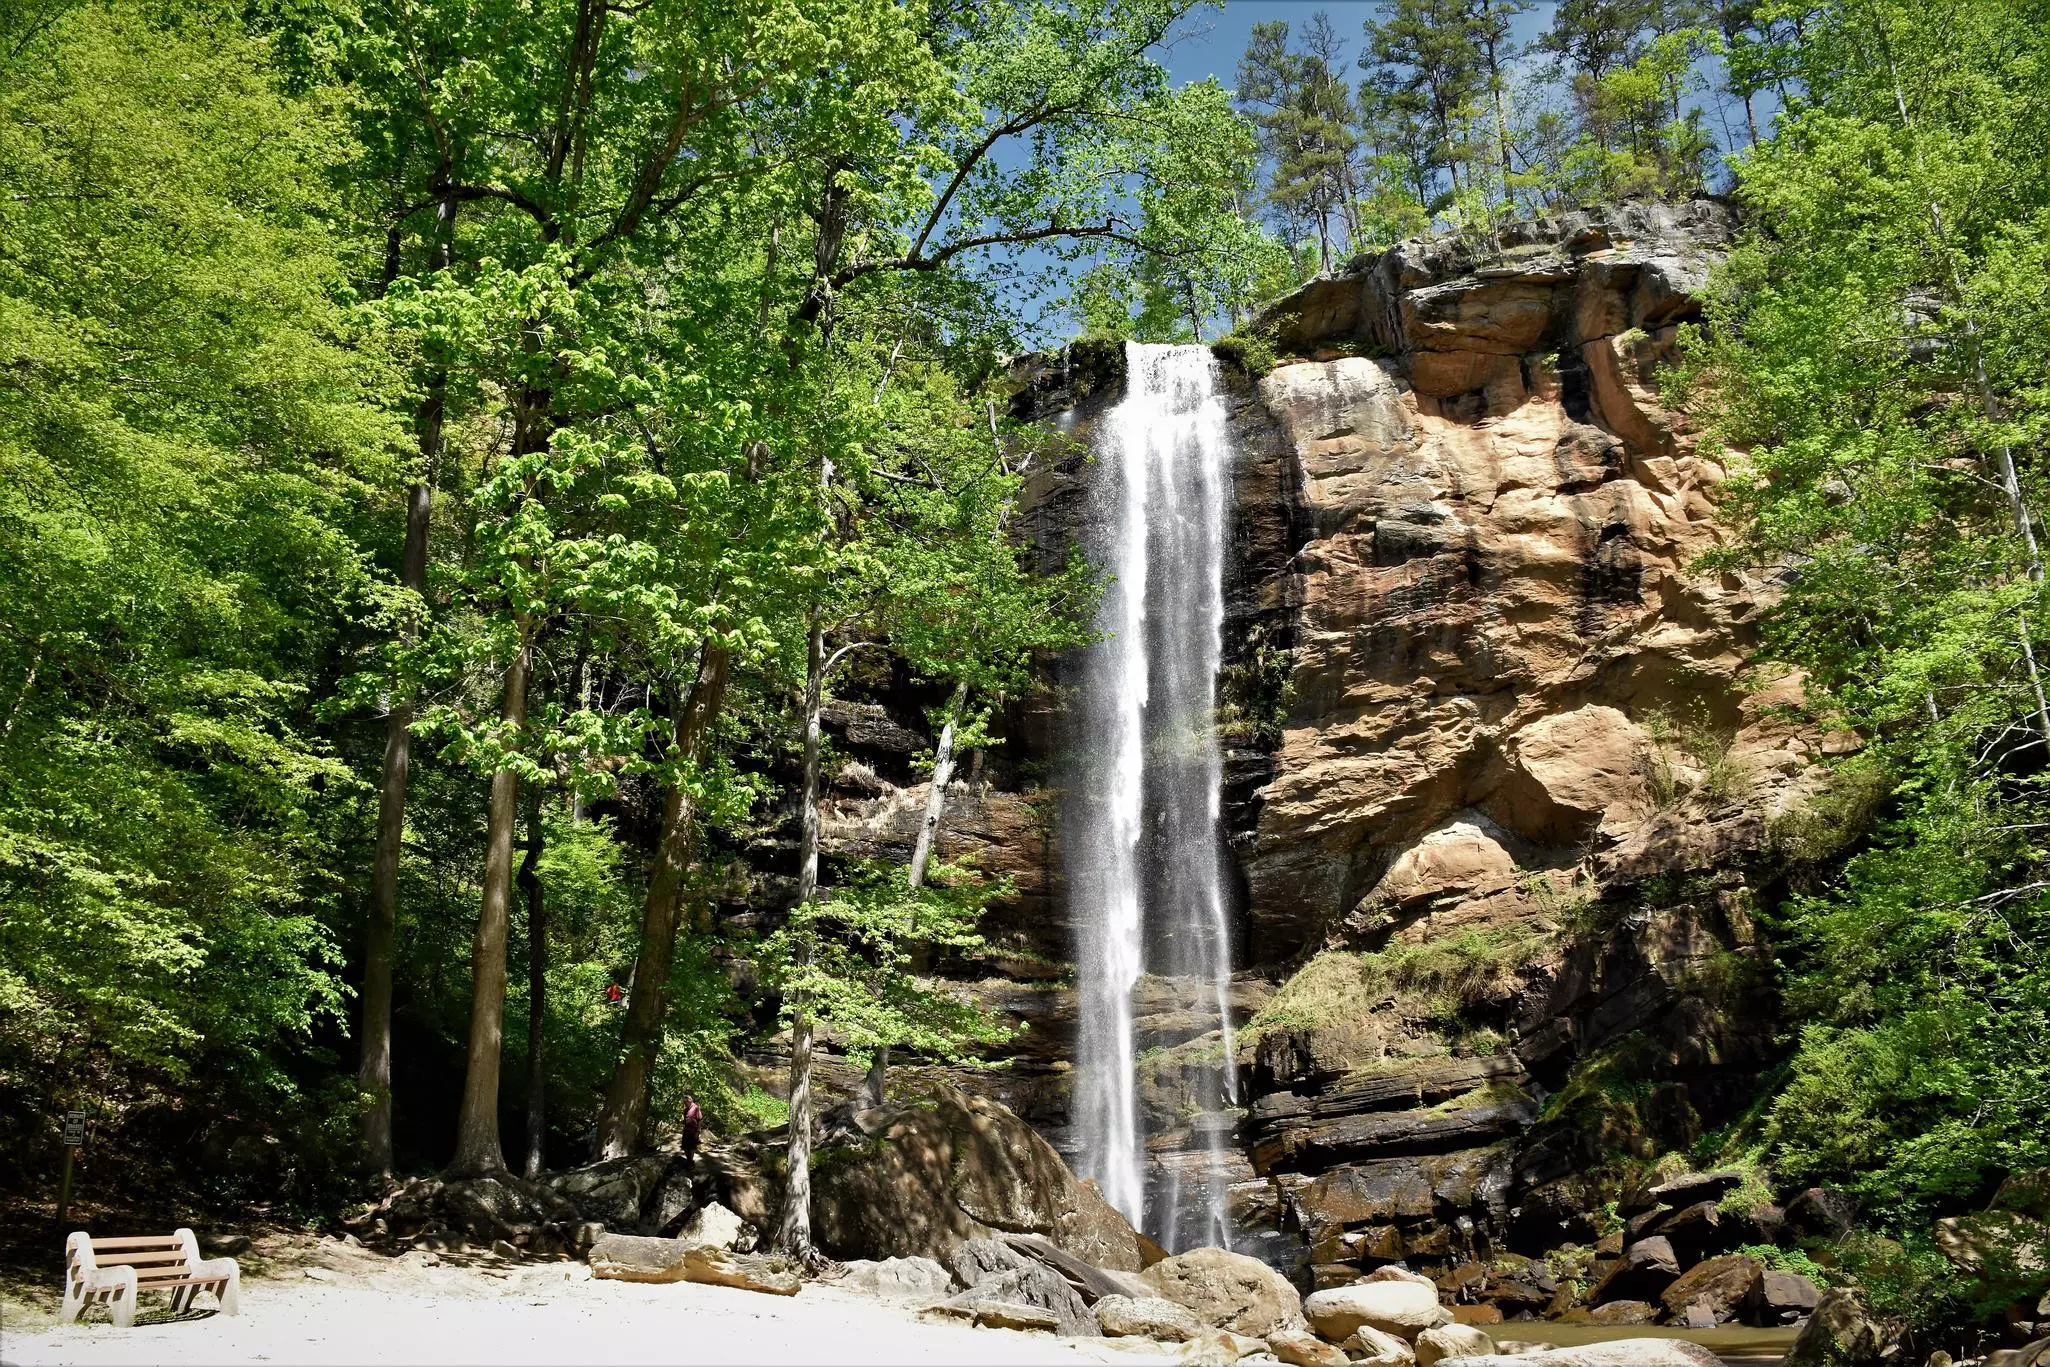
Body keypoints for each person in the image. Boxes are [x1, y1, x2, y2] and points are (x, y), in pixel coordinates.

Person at [681, 1094, 703, 1161]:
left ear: (690, 1101)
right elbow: (685, 1120)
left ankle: (690, 1162)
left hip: (693, 1130)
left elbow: (699, 1120)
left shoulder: (696, 1108)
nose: (684, 1103)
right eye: (684, 1102)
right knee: (685, 1147)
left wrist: (698, 1131)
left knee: (692, 1147)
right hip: (686, 1130)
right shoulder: (685, 1110)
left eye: (686, 1102)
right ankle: (689, 1160)